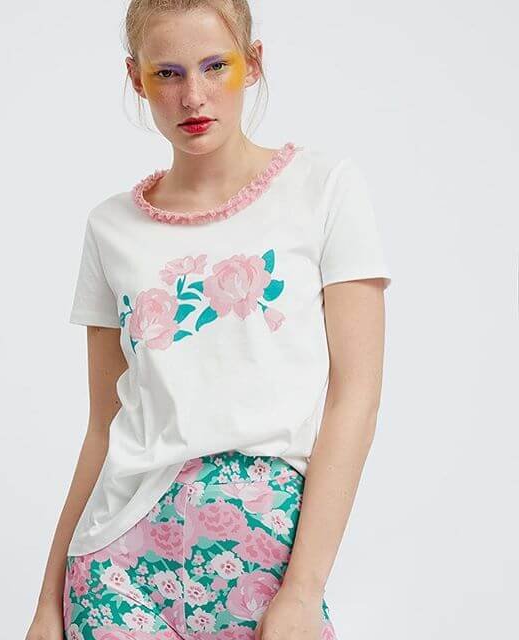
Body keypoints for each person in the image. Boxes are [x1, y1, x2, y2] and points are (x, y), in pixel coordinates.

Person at [25, 1, 392, 639]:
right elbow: (104, 425)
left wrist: (304, 591)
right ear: (136, 79)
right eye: (166, 73)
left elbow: (354, 398)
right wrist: (46, 605)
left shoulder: (324, 188)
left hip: (264, 548)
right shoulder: (111, 228)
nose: (192, 96)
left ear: (253, 63)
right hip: (116, 567)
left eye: (214, 66)